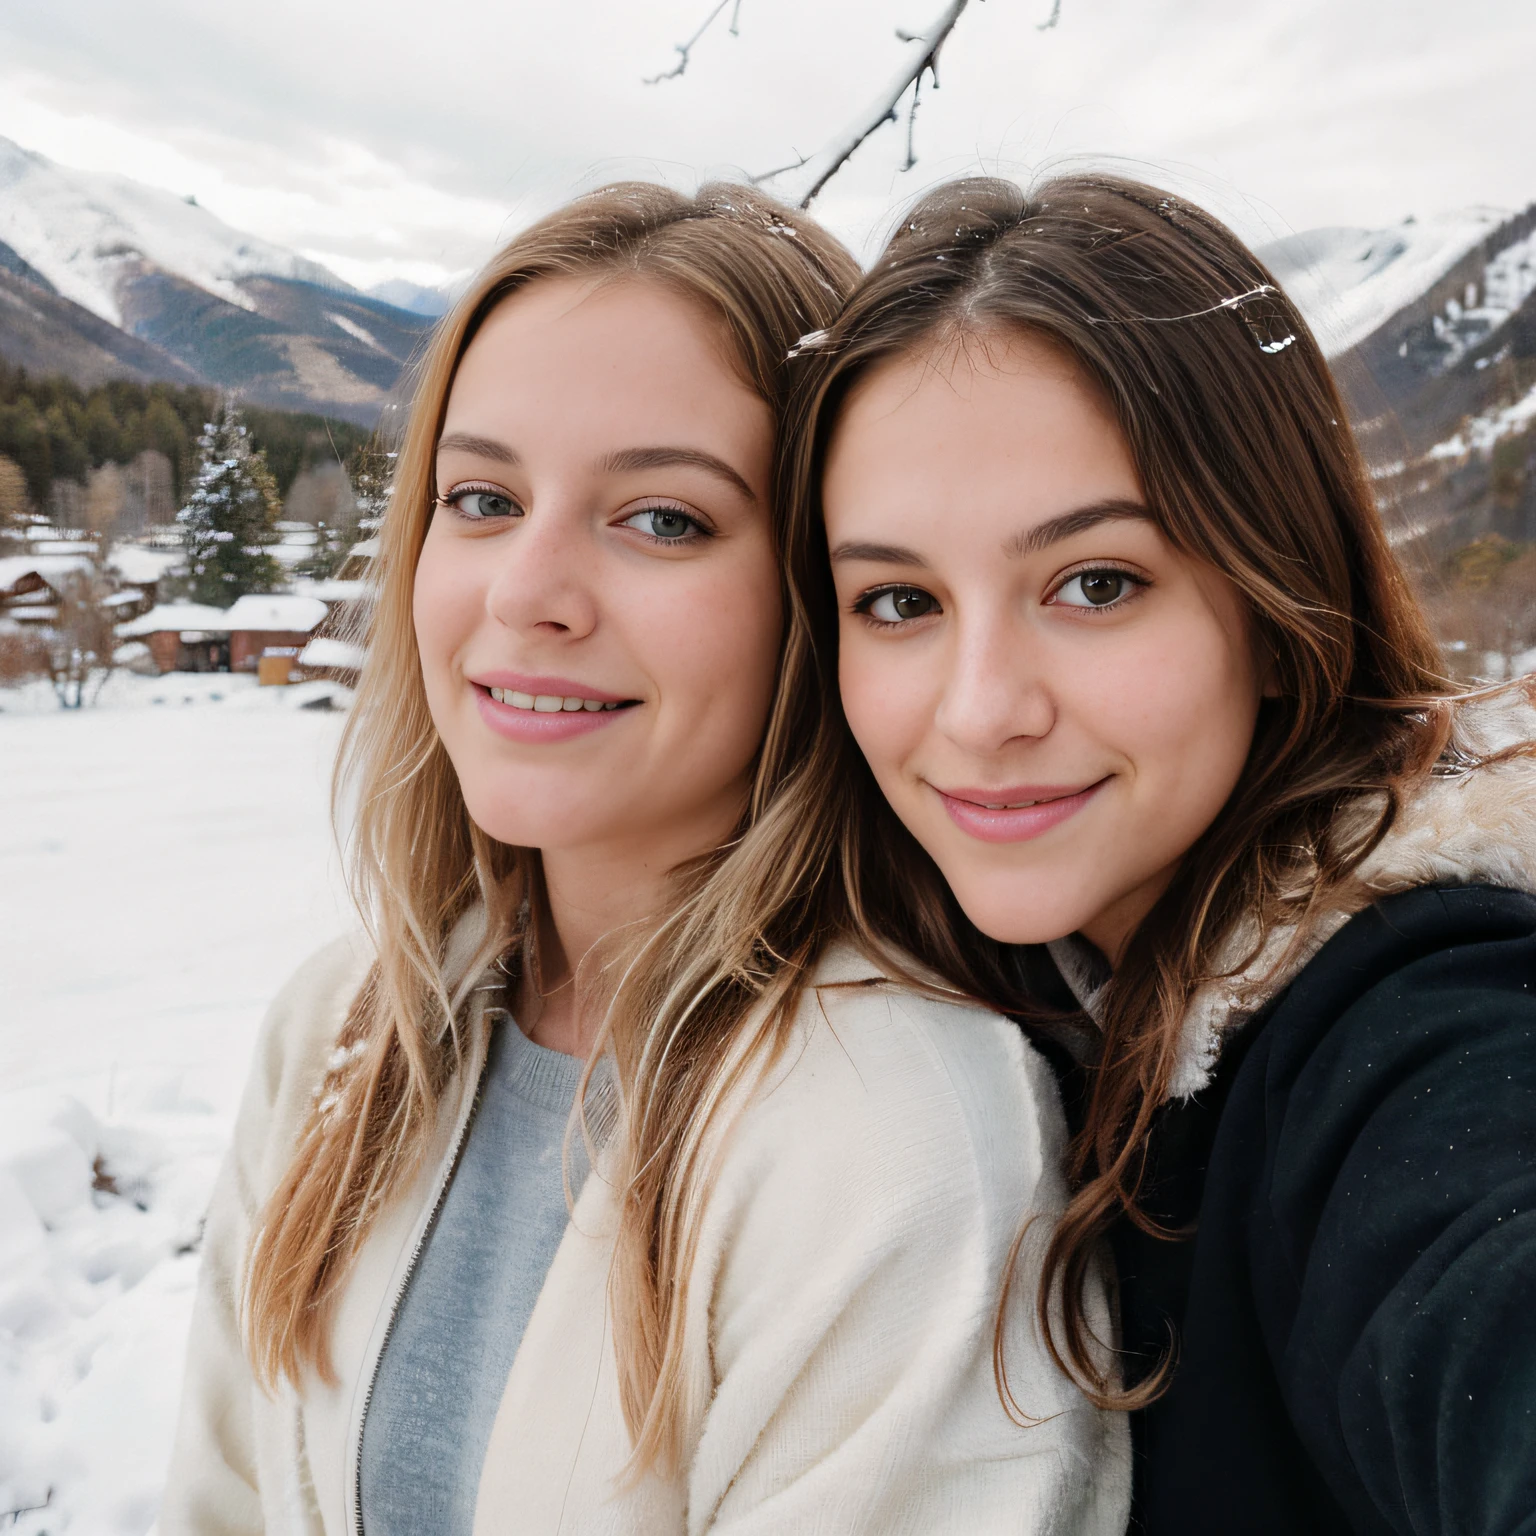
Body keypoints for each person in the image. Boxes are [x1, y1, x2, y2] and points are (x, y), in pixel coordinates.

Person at [158, 182, 1130, 1535]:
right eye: (482, 497)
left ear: (819, 589)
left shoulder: (898, 1139)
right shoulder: (345, 1029)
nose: (525, 592)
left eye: (662, 519)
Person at [785, 172, 1536, 1534]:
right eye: (898, 601)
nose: (980, 711)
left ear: (1270, 595)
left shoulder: (1415, 1015)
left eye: (1096, 584)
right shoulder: (993, 1008)